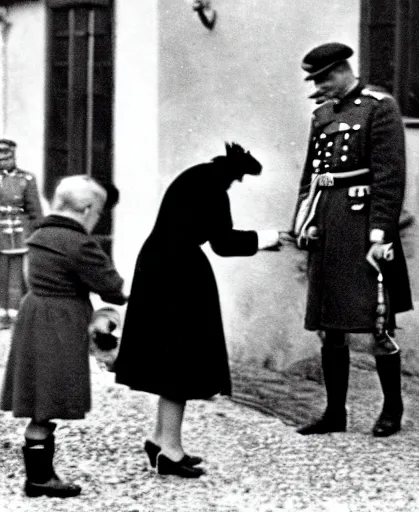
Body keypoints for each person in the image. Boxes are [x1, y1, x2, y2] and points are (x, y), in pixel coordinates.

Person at [114, 142, 280, 479]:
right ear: (234, 173)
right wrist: (269, 238)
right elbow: (223, 244)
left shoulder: (193, 176)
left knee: (168, 359)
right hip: (180, 274)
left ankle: (160, 441)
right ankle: (170, 453)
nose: (237, 185)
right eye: (239, 179)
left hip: (158, 265)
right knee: (180, 363)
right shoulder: (214, 189)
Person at [292, 42, 413, 438]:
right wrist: (303, 220)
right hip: (327, 223)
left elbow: (390, 176)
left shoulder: (379, 106)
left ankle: (392, 410)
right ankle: (334, 413)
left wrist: (380, 233)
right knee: (330, 324)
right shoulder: (322, 115)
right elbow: (311, 175)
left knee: (379, 323)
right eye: (315, 80)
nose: (320, 86)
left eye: (325, 77)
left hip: (362, 228)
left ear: (344, 69)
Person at [0, 175, 127, 498]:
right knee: (47, 398)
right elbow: (112, 287)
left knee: (39, 395)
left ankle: (40, 475)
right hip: (61, 322)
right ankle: (40, 480)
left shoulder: (40, 233)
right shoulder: (80, 243)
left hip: (34, 315)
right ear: (87, 209)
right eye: (98, 212)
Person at [0, 138, 43, 328]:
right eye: (1, 158)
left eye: (8, 157)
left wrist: (38, 234)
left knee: (17, 275)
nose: (5, 161)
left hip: (18, 232)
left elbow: (34, 210)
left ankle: (18, 314)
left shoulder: (26, 179)